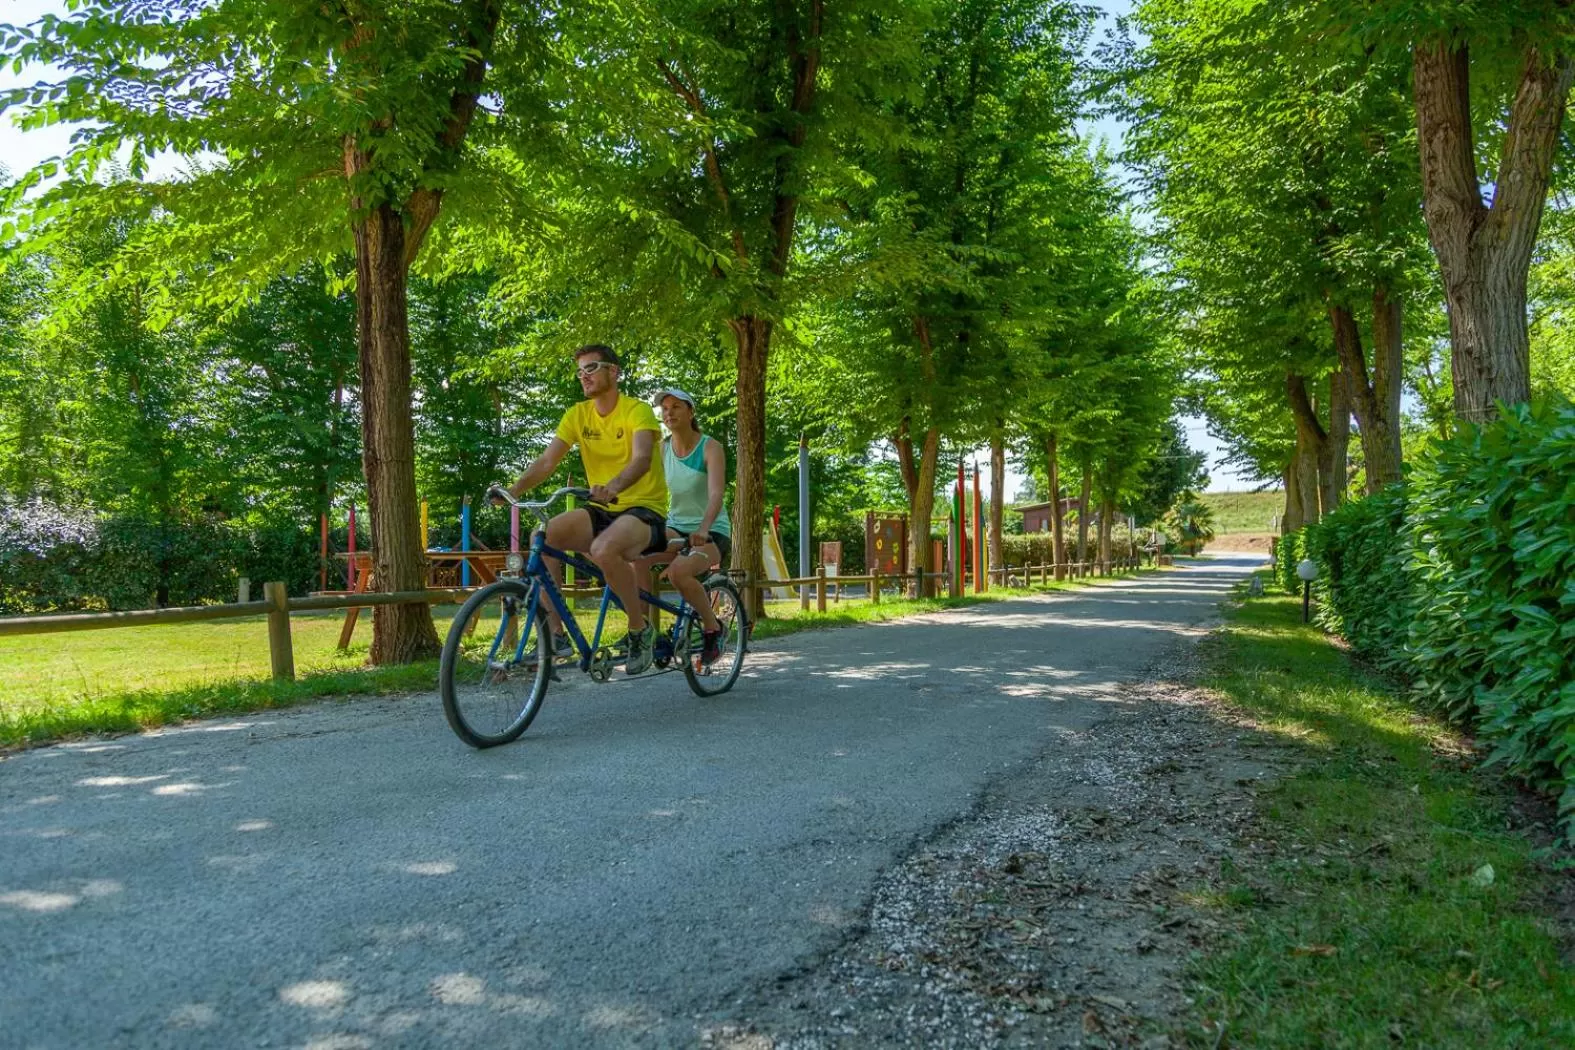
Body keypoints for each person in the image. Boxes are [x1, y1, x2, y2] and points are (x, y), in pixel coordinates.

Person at [501, 345, 668, 674]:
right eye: (580, 372)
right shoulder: (577, 415)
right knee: (542, 537)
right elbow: (547, 462)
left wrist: (614, 487)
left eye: (591, 368)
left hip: (644, 509)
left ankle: (640, 630)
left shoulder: (637, 411)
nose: (584, 377)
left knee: (603, 549)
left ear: (613, 372)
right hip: (601, 508)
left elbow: (641, 459)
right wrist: (514, 490)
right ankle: (556, 636)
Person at [651, 387, 732, 665]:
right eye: (665, 408)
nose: (669, 413)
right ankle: (647, 634)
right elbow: (650, 489)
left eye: (676, 407)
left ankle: (713, 628)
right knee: (632, 556)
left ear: (691, 412)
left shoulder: (710, 447)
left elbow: (716, 494)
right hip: (675, 526)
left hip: (711, 531)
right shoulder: (662, 449)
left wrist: (704, 529)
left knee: (679, 574)